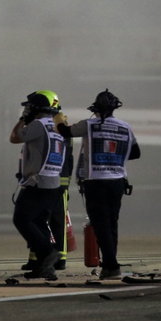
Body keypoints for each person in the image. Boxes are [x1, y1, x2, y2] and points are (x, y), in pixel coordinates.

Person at [70, 88, 142, 279]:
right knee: (111, 224)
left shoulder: (89, 125)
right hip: (117, 182)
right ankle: (110, 265)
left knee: (100, 225)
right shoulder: (125, 127)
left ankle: (111, 265)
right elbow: (135, 153)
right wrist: (114, 155)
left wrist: (58, 117)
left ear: (96, 109)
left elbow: (65, 132)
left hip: (96, 182)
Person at [9, 89, 67, 280]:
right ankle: (45, 267)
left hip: (37, 182)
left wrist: (23, 119)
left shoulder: (38, 125)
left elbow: (15, 137)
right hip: (53, 182)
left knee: (22, 219)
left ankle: (48, 252)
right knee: (39, 221)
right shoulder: (58, 126)